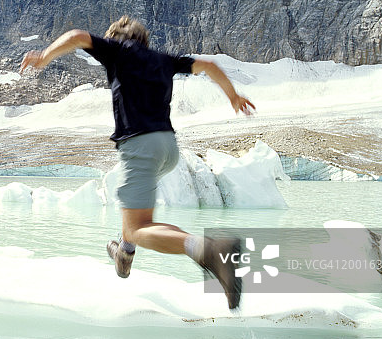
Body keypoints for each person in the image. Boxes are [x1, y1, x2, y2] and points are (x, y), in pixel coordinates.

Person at [20, 16, 255, 310]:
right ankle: (124, 254)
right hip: (167, 148)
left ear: (116, 37)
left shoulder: (117, 51)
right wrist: (233, 96)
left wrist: (44, 56)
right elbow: (209, 66)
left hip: (141, 146)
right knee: (135, 215)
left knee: (137, 227)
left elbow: (78, 35)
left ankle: (208, 249)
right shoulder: (163, 60)